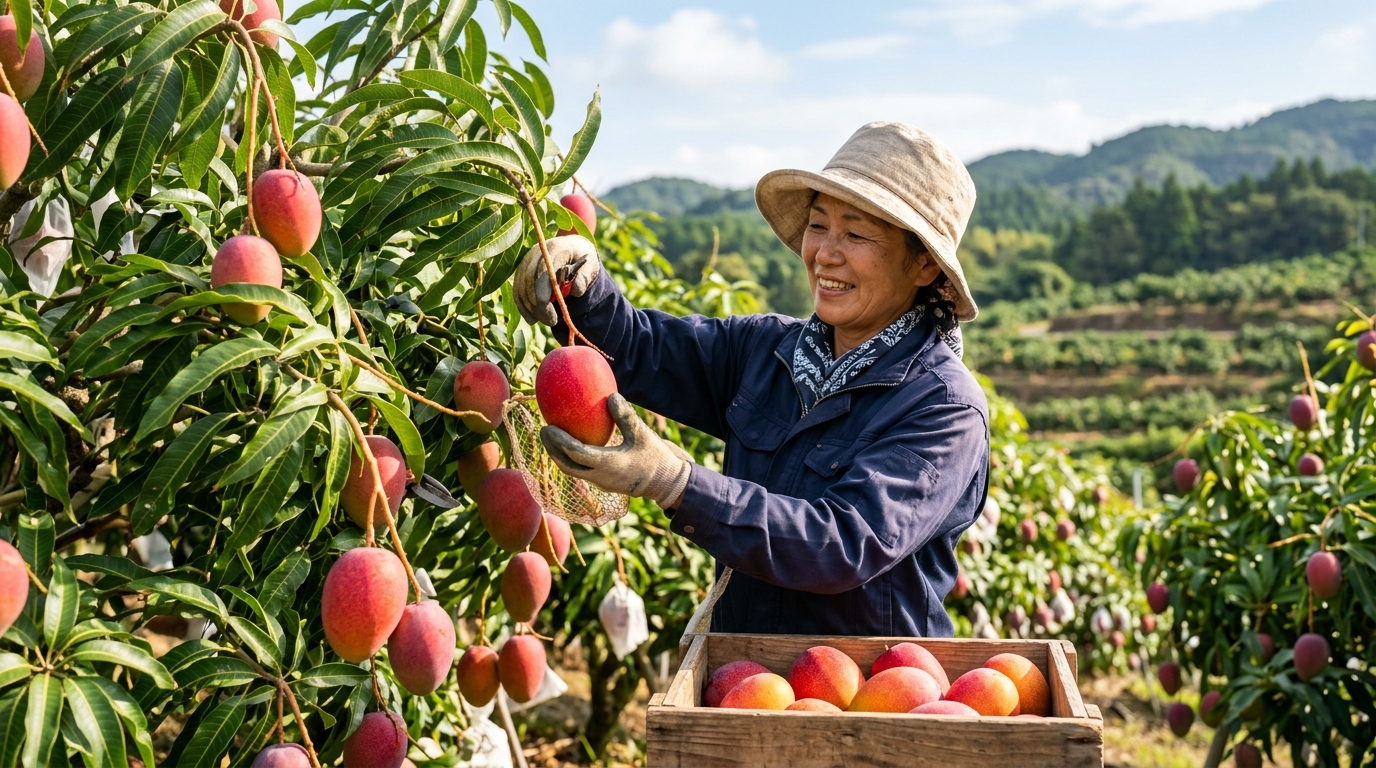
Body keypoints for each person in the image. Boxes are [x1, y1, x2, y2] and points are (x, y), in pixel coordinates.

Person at [515, 122, 989, 637]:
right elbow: (640, 349)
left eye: (855, 233)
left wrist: (677, 483)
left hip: (872, 693)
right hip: (745, 680)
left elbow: (843, 544)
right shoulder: (767, 350)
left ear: (923, 266)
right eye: (818, 225)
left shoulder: (944, 407)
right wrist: (581, 286)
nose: (825, 253)